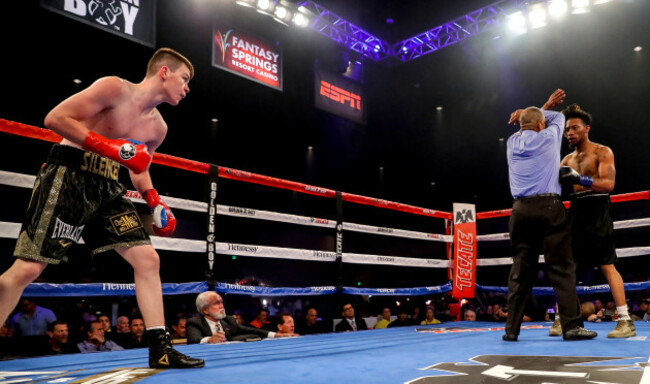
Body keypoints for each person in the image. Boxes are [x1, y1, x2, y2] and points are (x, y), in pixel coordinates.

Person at [0, 48, 203, 368]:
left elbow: (138, 167)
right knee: (27, 269)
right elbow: (54, 118)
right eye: (184, 78)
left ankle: (160, 349)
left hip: (108, 187)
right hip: (68, 173)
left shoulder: (158, 128)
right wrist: (108, 146)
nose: (187, 87)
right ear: (164, 72)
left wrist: (154, 200)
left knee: (148, 258)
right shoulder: (114, 88)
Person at [503, 89, 597, 341]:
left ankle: (511, 330)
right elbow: (552, 120)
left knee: (520, 270)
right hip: (548, 207)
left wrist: (529, 112)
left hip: (520, 210)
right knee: (562, 268)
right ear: (542, 125)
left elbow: (532, 123)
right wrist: (534, 111)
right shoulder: (549, 137)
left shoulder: (512, 144)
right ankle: (572, 327)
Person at [550, 104, 635, 338]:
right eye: (567, 129)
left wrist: (580, 178)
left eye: (575, 128)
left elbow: (609, 185)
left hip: (598, 206)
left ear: (586, 128)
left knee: (607, 264)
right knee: (569, 267)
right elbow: (553, 185)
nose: (570, 133)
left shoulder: (602, 152)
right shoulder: (566, 158)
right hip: (575, 209)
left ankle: (625, 321)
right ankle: (562, 319)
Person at [186, 291, 294, 344]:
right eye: (216, 303)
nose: (222, 306)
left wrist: (277, 335)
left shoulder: (228, 320)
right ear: (205, 310)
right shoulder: (195, 322)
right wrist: (209, 339)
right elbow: (193, 339)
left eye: (221, 303)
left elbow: (251, 329)